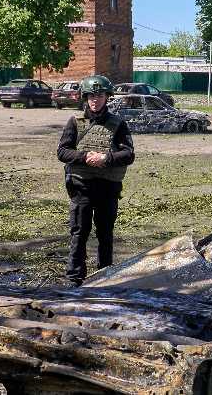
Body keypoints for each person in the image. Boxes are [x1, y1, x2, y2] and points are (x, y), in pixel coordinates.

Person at [57, 74, 135, 286]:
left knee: (105, 234)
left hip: (107, 189)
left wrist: (106, 158)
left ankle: (106, 276)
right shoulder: (75, 122)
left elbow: (129, 154)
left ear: (107, 97)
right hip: (81, 187)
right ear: (85, 97)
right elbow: (62, 152)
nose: (95, 99)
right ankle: (74, 279)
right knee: (79, 233)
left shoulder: (118, 124)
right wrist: (85, 157)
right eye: (91, 95)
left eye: (99, 95)